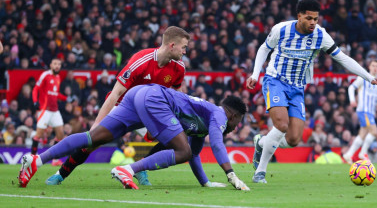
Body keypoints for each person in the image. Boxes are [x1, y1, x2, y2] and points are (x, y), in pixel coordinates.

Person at [246, 0, 377, 183]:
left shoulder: (321, 35)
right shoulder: (281, 29)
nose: (313, 23)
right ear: (299, 16)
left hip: (297, 87)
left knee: (294, 139)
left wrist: (369, 77)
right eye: (309, 18)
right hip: (275, 81)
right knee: (281, 124)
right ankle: (260, 172)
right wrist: (255, 74)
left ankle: (261, 142)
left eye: (316, 19)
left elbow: (342, 58)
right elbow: (264, 49)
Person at [18, 84, 250, 191]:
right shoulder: (219, 114)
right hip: (156, 99)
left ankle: (36, 160)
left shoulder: (205, 121)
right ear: (233, 115)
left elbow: (196, 154)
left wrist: (206, 182)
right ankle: (129, 170)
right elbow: (218, 144)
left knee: (93, 137)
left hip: (138, 96)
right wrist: (231, 174)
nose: (235, 127)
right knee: (182, 150)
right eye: (237, 122)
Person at [46, 26, 190, 186]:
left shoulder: (179, 67)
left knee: (172, 139)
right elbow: (115, 93)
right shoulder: (141, 60)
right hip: (123, 107)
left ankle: (139, 167)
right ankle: (60, 174)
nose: (185, 52)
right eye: (184, 47)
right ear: (172, 45)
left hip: (148, 112)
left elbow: (176, 95)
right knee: (92, 142)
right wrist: (97, 124)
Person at [343, 59, 377, 163]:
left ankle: (349, 154)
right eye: (373, 66)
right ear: (369, 67)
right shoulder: (363, 77)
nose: (375, 68)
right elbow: (351, 88)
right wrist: (352, 100)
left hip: (370, 111)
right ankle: (363, 152)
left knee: (362, 134)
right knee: (374, 131)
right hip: (363, 110)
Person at [31, 58, 70, 166]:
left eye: (59, 64)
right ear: (51, 65)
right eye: (55, 64)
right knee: (38, 135)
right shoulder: (45, 75)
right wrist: (35, 101)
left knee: (60, 134)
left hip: (55, 110)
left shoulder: (58, 77)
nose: (57, 66)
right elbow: (35, 89)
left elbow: (55, 93)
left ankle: (55, 160)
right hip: (45, 110)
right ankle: (32, 159)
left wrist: (66, 98)